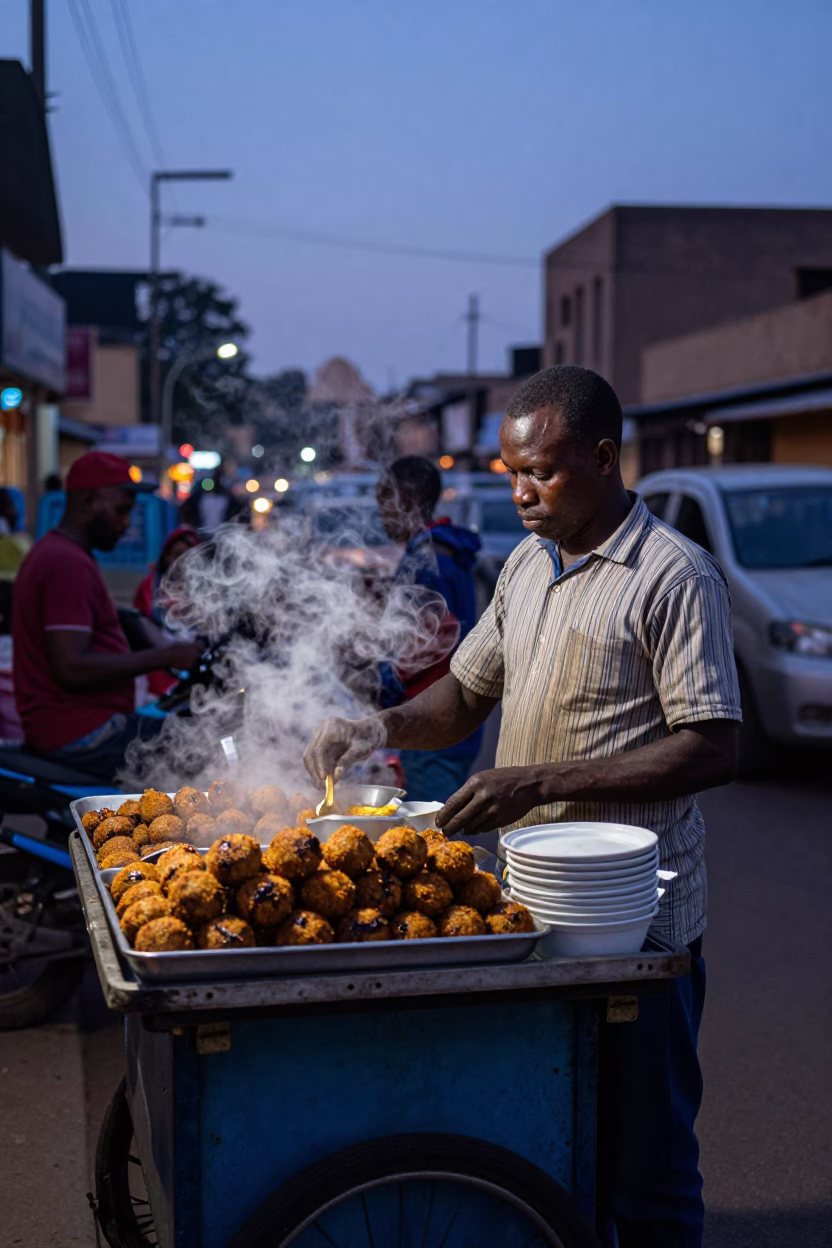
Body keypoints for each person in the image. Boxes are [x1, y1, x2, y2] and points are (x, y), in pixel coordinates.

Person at [305, 365, 742, 1248]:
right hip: (531, 911)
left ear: (605, 457)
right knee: (556, 1138)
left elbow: (712, 746)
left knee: (649, 1169)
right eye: (510, 474)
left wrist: (538, 779)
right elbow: (463, 699)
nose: (520, 493)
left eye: (539, 472)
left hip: (637, 930)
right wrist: (376, 725)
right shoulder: (523, 573)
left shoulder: (673, 575)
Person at [12, 452, 201, 779]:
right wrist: (167, 655)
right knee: (202, 748)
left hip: (79, 722)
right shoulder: (65, 563)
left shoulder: (64, 555)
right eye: (121, 511)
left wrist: (128, 623)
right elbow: (71, 666)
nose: (127, 524)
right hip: (76, 730)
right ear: (87, 503)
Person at [376, 456, 483, 801]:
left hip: (428, 718)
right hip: (456, 719)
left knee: (430, 834)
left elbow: (416, 647)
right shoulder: (446, 549)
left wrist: (384, 693)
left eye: (384, 504)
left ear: (405, 502)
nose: (382, 516)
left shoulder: (425, 559)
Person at [134, 524, 201, 697]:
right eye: (177, 555)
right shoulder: (149, 588)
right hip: (156, 671)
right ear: (166, 558)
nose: (182, 562)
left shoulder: (206, 593)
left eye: (189, 556)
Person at [180, 463, 245, 534]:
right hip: (201, 533)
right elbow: (186, 510)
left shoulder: (228, 499)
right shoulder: (200, 496)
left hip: (221, 535)